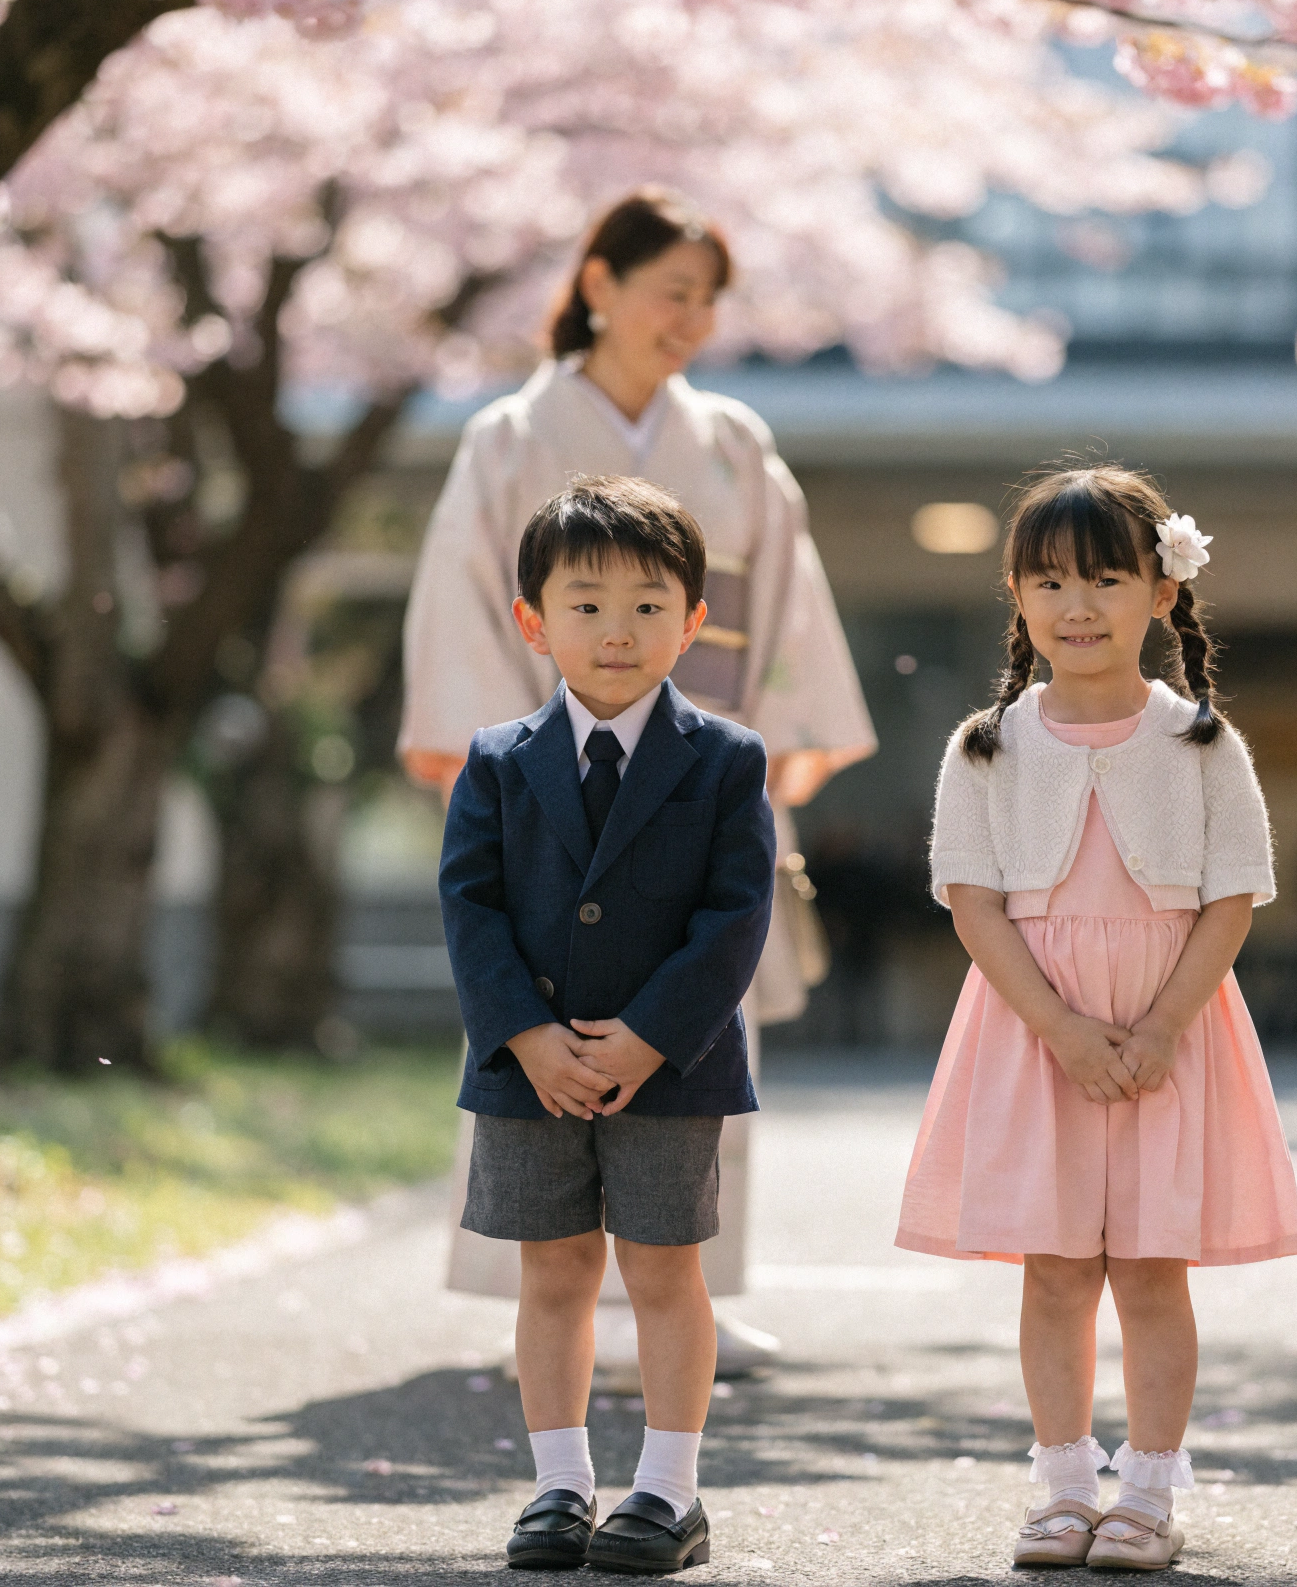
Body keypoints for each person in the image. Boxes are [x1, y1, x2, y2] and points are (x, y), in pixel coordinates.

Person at [402, 188, 875, 1375]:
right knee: (538, 1008)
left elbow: (784, 603)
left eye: (708, 300)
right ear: (600, 285)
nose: (692, 320)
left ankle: (688, 1288)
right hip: (552, 768)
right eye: (673, 291)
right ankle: (544, 1288)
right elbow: (467, 601)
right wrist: (496, 760)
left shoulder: (733, 439)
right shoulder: (508, 435)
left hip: (696, 761)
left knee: (700, 1012)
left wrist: (772, 739)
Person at [899, 466, 1297, 1572]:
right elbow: (974, 906)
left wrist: (1162, 1025)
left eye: (1105, 580)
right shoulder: (986, 744)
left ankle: (1151, 1492)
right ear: (1017, 598)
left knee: (1152, 1270)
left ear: (1161, 593)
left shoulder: (1202, 742)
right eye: (1048, 582)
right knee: (1056, 1270)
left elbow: (1231, 899)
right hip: (1035, 1035)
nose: (1076, 606)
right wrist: (1063, 1029)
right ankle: (1064, 1487)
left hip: (1171, 1034)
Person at [442, 475, 772, 1574]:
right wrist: (526, 1036)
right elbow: (469, 907)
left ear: (693, 620)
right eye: (585, 604)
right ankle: (559, 1484)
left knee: (666, 1273)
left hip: (669, 1068)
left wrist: (649, 1035)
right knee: (553, 1273)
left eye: (647, 605)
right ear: (534, 620)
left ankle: (669, 1490)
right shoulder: (496, 758)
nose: (616, 630)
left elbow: (736, 916)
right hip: (527, 1066)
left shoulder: (726, 759)